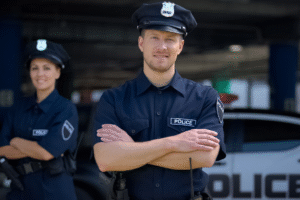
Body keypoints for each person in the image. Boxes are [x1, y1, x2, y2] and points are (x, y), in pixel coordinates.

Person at [93, 2, 226, 200]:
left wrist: (131, 151)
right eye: (154, 37)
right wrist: (174, 143)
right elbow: (106, 160)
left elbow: (204, 157)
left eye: (170, 39)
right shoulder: (114, 99)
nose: (162, 47)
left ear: (180, 46)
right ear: (141, 43)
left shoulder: (204, 98)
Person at [0, 39, 78, 200]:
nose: (40, 74)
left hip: (53, 190)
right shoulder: (17, 109)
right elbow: (2, 149)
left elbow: (46, 153)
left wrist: (16, 141)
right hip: (19, 188)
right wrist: (37, 147)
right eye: (35, 68)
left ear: (57, 72)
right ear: (29, 72)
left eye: (47, 68)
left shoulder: (65, 109)